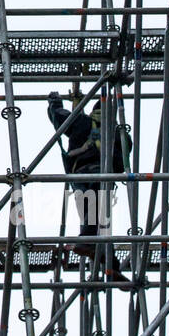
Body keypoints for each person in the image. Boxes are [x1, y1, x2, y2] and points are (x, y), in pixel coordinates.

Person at [47, 92, 133, 288]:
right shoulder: (118, 134)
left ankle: (111, 265)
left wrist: (54, 103)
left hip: (81, 176)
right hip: (101, 177)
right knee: (100, 220)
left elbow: (60, 118)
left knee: (96, 218)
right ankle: (89, 243)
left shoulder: (82, 122)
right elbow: (122, 164)